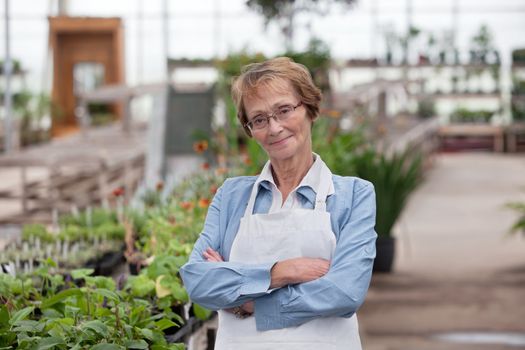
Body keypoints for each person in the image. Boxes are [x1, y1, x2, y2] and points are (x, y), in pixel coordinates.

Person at [180, 57, 377, 349]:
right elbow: (199, 282)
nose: (274, 128)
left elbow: (344, 292)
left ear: (309, 108)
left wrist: (250, 305)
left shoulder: (353, 196)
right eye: (259, 119)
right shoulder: (232, 196)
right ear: (250, 129)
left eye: (284, 110)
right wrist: (280, 272)